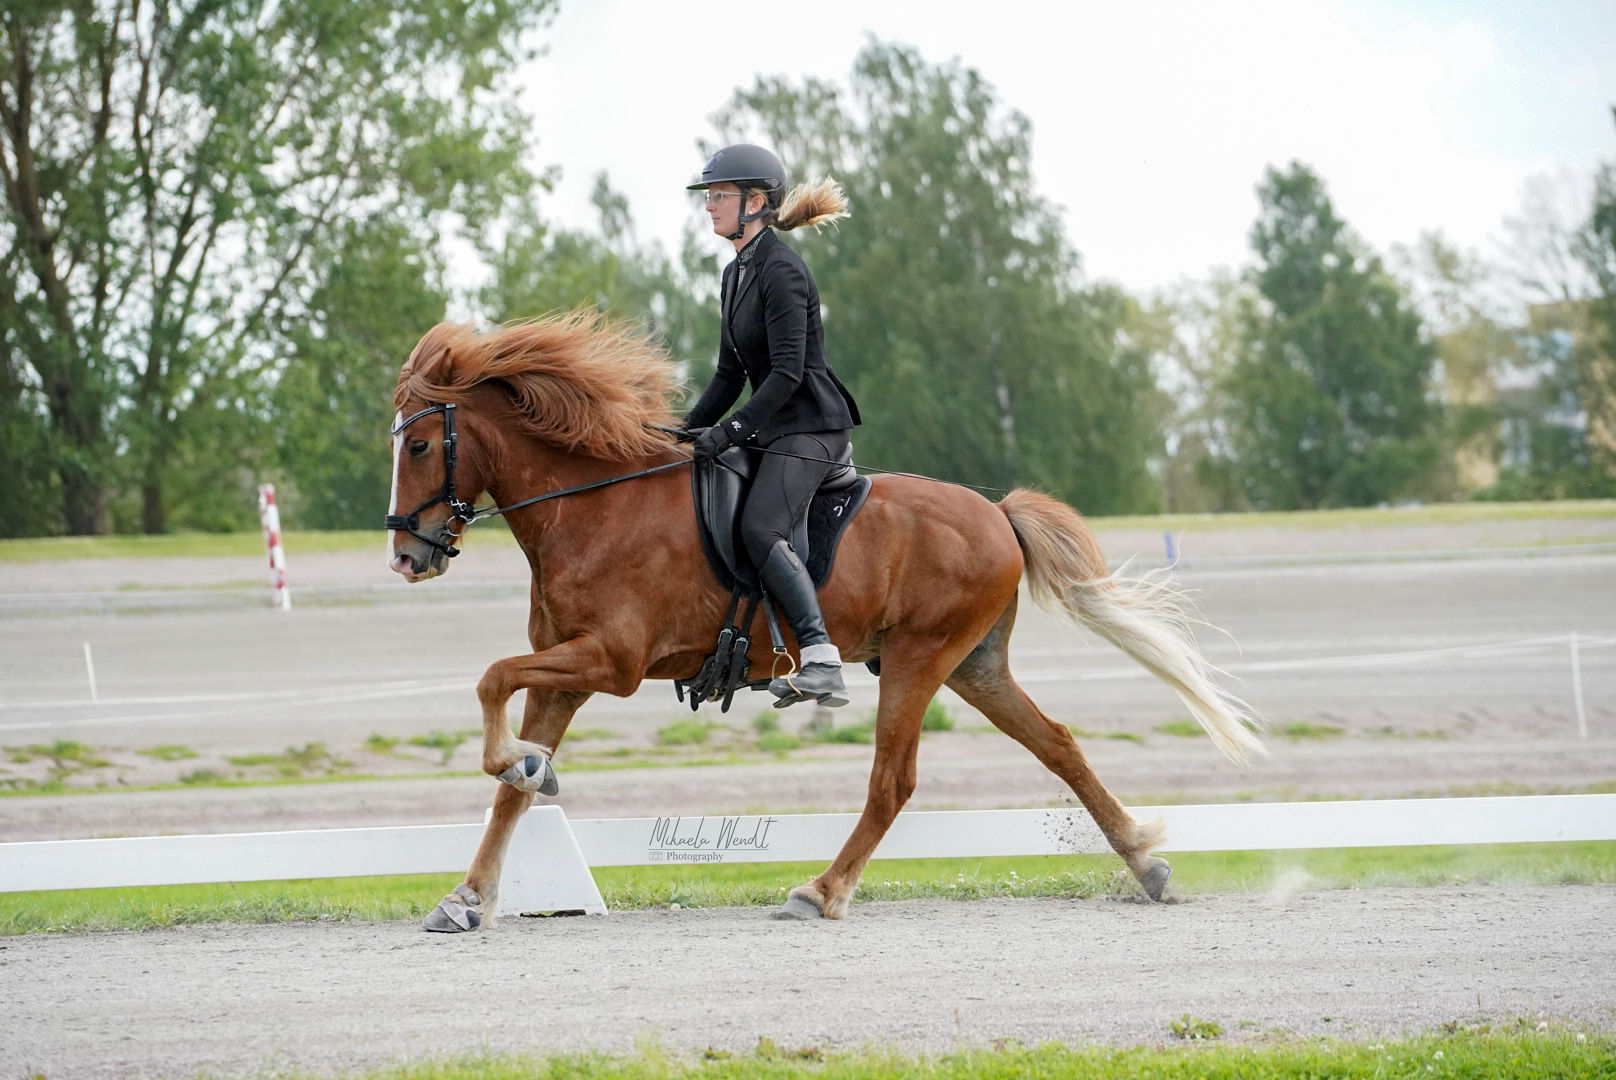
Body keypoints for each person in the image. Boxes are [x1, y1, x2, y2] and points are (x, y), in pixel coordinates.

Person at [682, 143, 860, 709]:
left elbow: (785, 374)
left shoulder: (782, 270)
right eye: (708, 197)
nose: (709, 207)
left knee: (762, 529)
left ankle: (821, 658)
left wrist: (729, 434)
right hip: (775, 426)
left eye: (719, 197)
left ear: (755, 202)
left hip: (811, 425)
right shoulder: (736, 274)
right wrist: (682, 432)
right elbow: (727, 373)